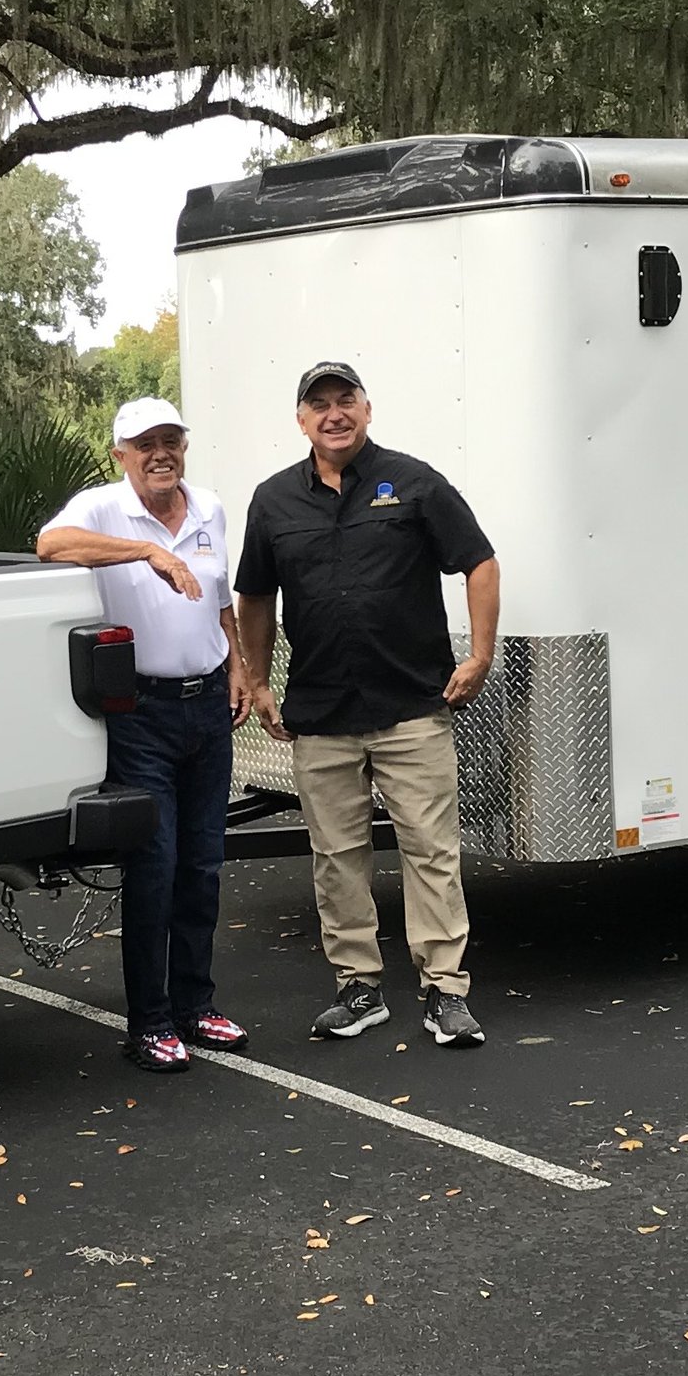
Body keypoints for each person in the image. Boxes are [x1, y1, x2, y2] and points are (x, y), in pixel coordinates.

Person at [233, 361, 497, 1048]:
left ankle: (445, 991)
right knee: (336, 856)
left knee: (431, 851)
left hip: (411, 707)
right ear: (301, 421)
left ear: (366, 408)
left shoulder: (414, 482)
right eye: (318, 404)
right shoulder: (274, 501)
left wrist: (480, 656)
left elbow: (479, 561)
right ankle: (359, 988)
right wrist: (257, 679)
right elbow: (255, 595)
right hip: (321, 714)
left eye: (344, 399)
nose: (333, 413)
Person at [37, 399, 248, 1077]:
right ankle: (150, 1021)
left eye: (171, 441)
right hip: (143, 714)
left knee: (203, 865)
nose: (161, 453)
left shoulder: (209, 507)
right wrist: (147, 549)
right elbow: (49, 545)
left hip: (208, 704)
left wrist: (239, 663)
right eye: (145, 443)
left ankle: (195, 1005)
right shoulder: (102, 509)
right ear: (120, 454)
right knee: (154, 868)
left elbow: (219, 600)